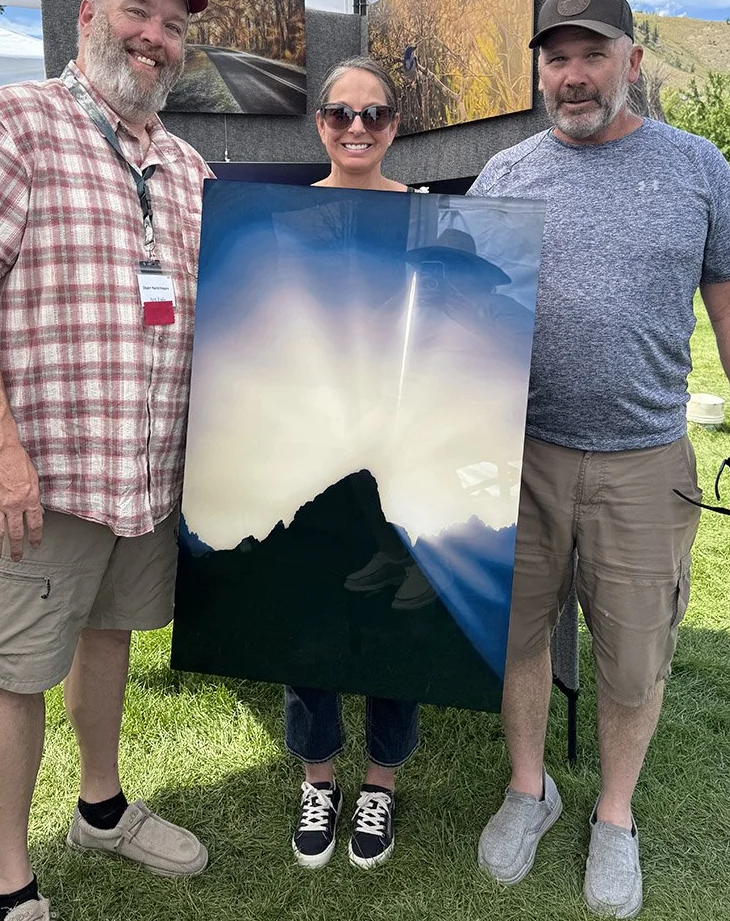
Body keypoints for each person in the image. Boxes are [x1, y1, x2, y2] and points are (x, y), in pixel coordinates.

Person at [0, 0, 214, 921]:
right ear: (88, 16)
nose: (154, 37)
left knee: (108, 638)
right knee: (13, 672)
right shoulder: (16, 120)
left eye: (173, 25)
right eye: (139, 11)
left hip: (139, 473)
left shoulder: (188, 166)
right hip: (35, 473)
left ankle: (101, 807)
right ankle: (9, 883)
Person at [469, 0, 730, 918]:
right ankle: (530, 789)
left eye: (592, 54)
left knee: (633, 654)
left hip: (646, 461)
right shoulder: (505, 175)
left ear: (633, 62)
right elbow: (460, 313)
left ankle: (614, 815)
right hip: (518, 454)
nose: (573, 76)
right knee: (522, 634)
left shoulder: (694, 168)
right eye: (556, 58)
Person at [287, 56, 420, 872]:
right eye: (341, 114)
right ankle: (319, 776)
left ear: (395, 126)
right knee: (311, 606)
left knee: (397, 616)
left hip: (402, 443)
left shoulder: (428, 216)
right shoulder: (283, 218)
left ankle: (379, 784)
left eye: (374, 115)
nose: (357, 128)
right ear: (321, 125)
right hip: (310, 444)